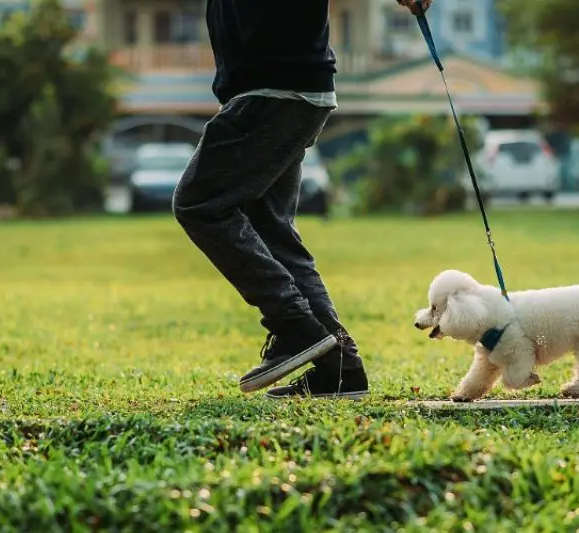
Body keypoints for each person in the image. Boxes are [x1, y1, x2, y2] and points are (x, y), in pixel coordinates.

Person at [173, 0, 433, 399]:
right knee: (270, 230)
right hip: (283, 87)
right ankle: (340, 369)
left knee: (200, 202)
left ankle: (294, 324)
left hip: (274, 88)